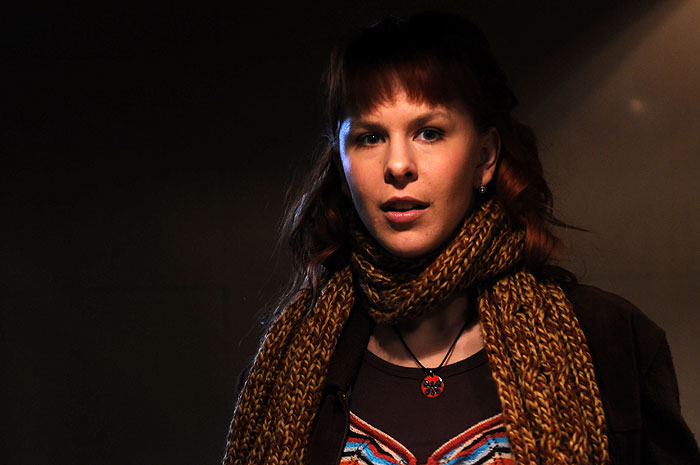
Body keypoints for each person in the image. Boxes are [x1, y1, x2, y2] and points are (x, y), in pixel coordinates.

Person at [223, 12, 700, 465]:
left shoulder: (611, 341)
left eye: (429, 133)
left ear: (485, 158)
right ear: (341, 166)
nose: (398, 165)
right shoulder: (284, 368)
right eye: (369, 138)